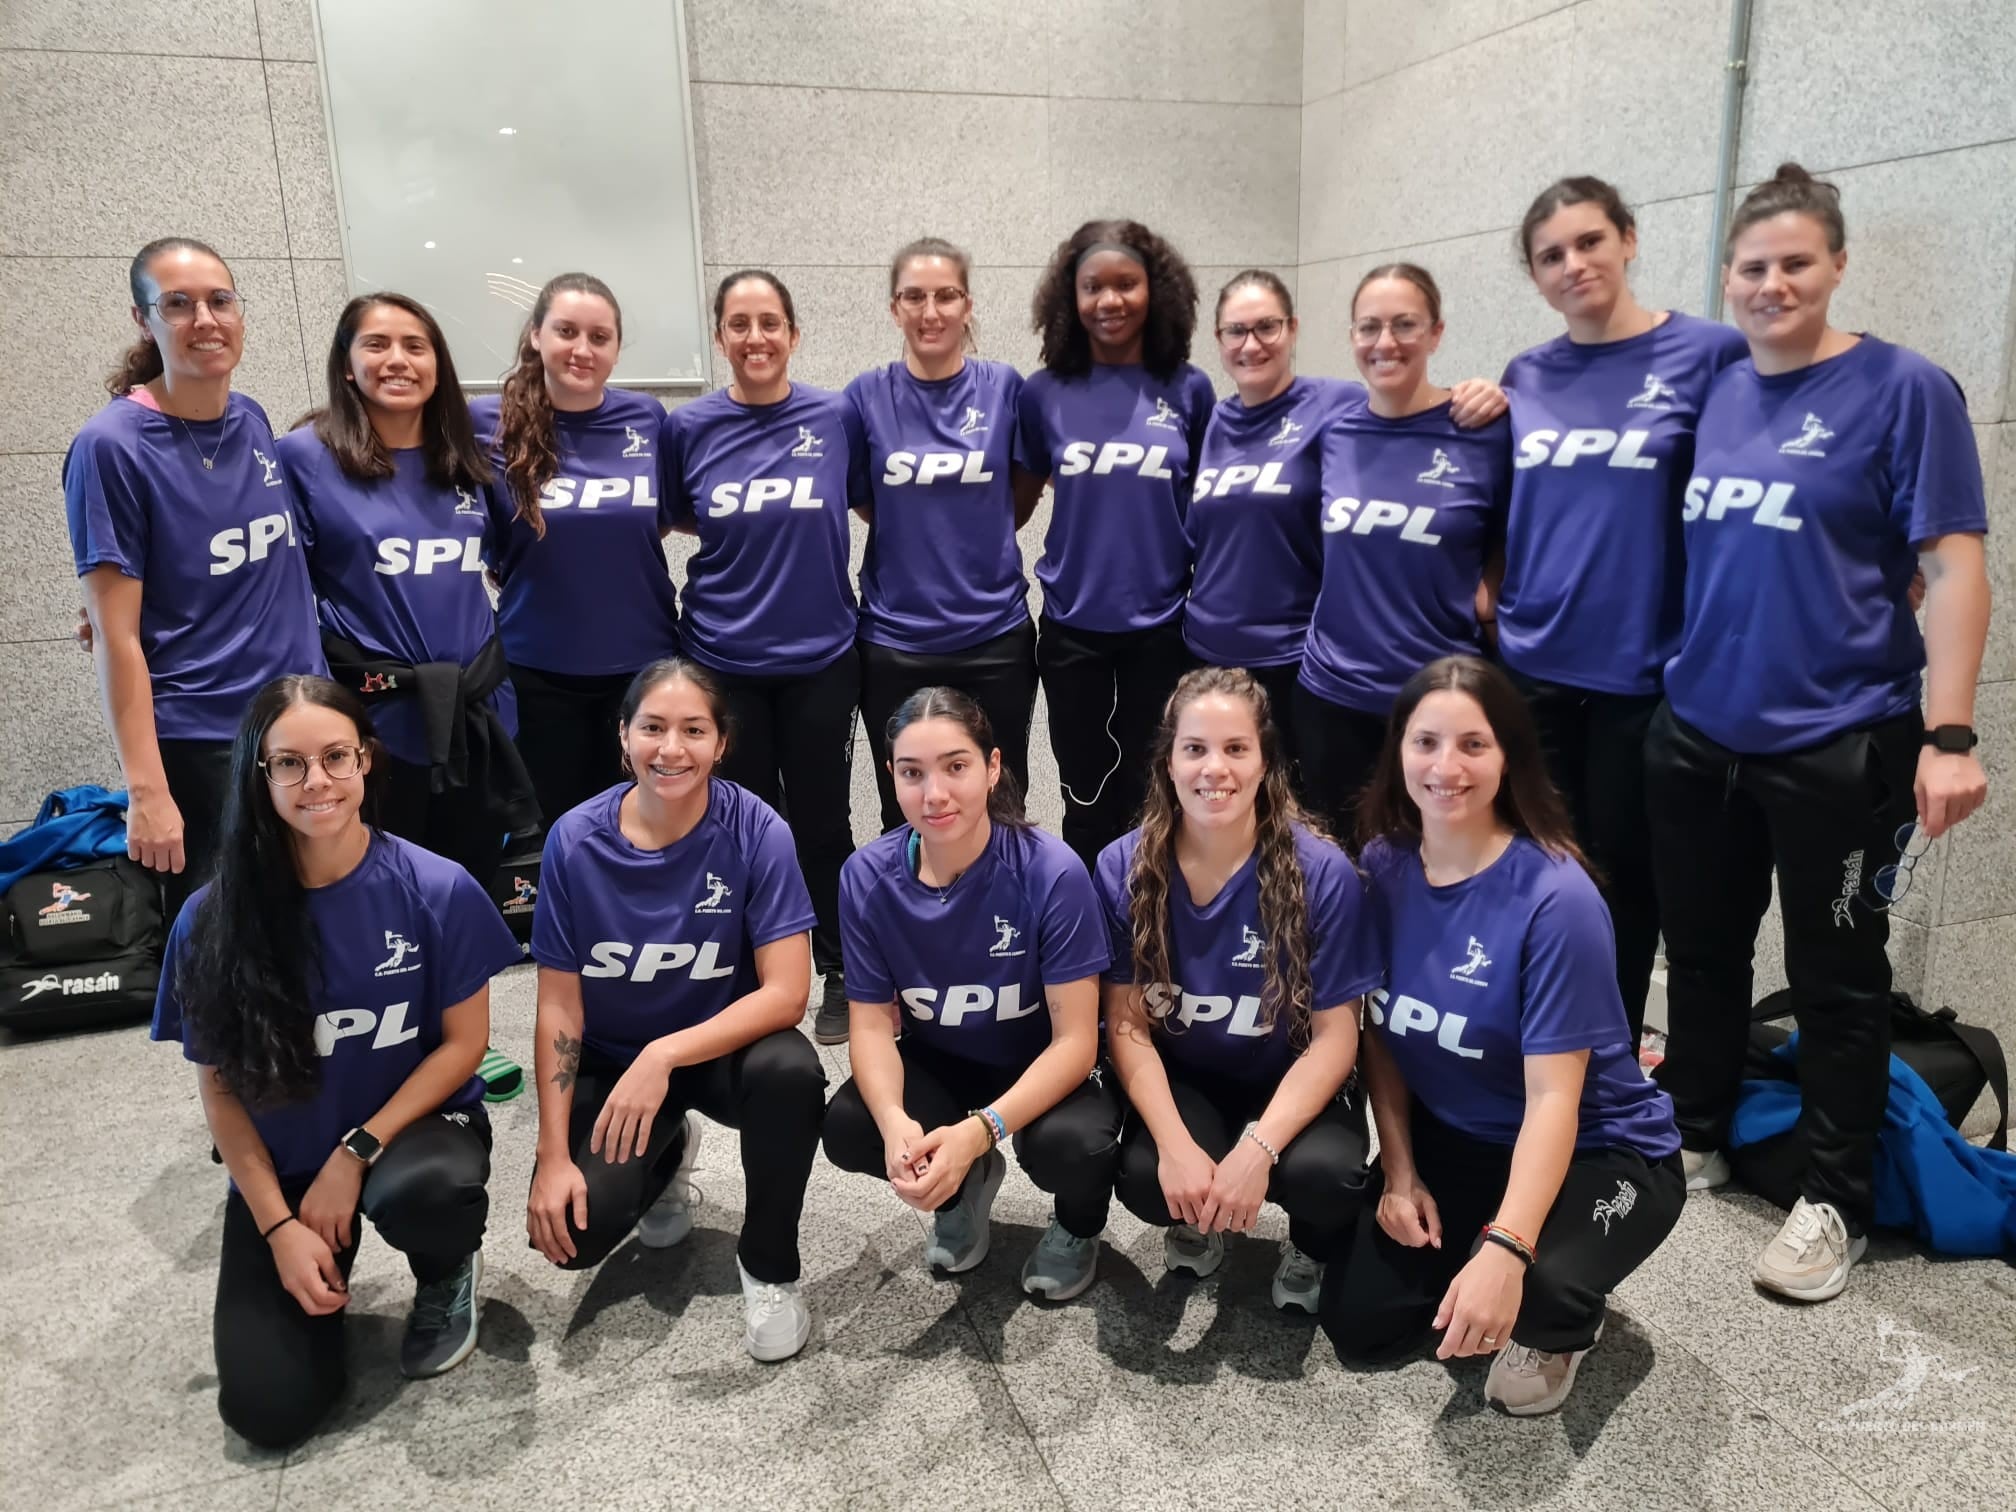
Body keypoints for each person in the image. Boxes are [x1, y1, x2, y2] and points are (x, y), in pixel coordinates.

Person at [1646, 164, 1991, 1302]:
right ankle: (1693, 1129)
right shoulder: (1718, 391)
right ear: (1728, 279)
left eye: (1797, 261)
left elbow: (1949, 563)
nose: (1774, 282)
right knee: (1697, 955)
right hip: (1699, 732)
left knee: (1838, 979)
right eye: (1753, 266)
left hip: (1841, 742)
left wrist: (1949, 733)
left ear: (1837, 264)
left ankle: (1831, 1199)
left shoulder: (1904, 389)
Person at [152, 675, 520, 1448]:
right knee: (267, 1412)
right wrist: (280, 1225)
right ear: (259, 774)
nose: (315, 781)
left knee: (432, 1192)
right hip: (284, 1169)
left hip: (410, 1134)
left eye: (335, 757)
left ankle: (445, 1271)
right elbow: (220, 1093)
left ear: (366, 762)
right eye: (289, 763)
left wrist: (355, 1154)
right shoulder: (210, 918)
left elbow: (465, 1048)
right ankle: (314, 1265)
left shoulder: (434, 888)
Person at [1321, 656, 1684, 1417]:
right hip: (1464, 1137)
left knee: (1540, 1289)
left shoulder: (1558, 898)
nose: (1445, 766)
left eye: (1473, 745)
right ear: (1397, 752)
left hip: (1602, 1149)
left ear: (1510, 755)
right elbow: (1379, 1036)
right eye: (1425, 742)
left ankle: (1564, 1321)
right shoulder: (1383, 866)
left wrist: (1510, 1248)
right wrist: (1399, 1172)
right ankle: (1491, 1244)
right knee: (1363, 1330)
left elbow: (1556, 1096)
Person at [1498, 177, 1750, 1043]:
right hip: (1531, 668)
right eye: (1551, 255)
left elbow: (1792, 441)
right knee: (1540, 873)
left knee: (1623, 880)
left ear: (1629, 240)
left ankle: (1612, 1058)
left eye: (1590, 242)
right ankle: (1547, 1051)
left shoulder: (1708, 354)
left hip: (1642, 675)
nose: (1574, 265)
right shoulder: (1526, 374)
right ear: (1534, 276)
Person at [524, 657, 826, 1361]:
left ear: (721, 744)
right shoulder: (573, 839)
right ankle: (662, 1160)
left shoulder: (757, 830)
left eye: (694, 730)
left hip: (712, 1053)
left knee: (791, 1071)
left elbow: (787, 994)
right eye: (653, 727)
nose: (672, 749)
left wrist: (667, 1053)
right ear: (623, 735)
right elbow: (560, 1008)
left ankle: (771, 1267)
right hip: (614, 1061)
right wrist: (548, 1155)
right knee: (576, 1236)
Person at [1097, 667, 1380, 1312]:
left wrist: (1258, 1149)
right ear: (1168, 761)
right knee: (1146, 1178)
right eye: (1195, 748)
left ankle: (1308, 1243)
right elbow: (1127, 1025)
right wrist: (1174, 1144)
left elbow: (1339, 1038)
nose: (1214, 769)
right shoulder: (1123, 866)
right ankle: (1200, 1219)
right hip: (1191, 1074)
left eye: (1235, 749)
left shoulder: (1322, 873)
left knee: (1326, 1177)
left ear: (1264, 763)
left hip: (1292, 1074)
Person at [822, 687, 1119, 1301]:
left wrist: (982, 1128)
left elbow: (1076, 1042)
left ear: (992, 768)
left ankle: (1076, 1228)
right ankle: (960, 1191)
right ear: (891, 777)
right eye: (913, 773)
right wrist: (896, 1122)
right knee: (854, 1125)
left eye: (956, 767)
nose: (934, 794)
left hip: (1040, 1064)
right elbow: (873, 1026)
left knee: (1079, 1145)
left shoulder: (1051, 872)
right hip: (942, 1061)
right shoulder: (865, 878)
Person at [64, 237, 324, 923]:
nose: (204, 319)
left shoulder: (253, 419)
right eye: (177, 305)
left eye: (219, 300)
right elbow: (114, 637)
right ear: (143, 319)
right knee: (224, 958)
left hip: (297, 724)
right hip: (204, 743)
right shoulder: (111, 447)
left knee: (314, 933)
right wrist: (146, 790)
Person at [1189, 271, 1507, 782]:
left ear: (1293, 329)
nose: (1251, 344)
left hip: (1330, 665)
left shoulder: (1336, 410)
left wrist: (1482, 391)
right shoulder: (1212, 420)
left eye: (1267, 327)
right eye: (1236, 331)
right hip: (1231, 658)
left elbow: (1514, 521)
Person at [279, 292, 539, 885]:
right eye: (377, 344)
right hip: (370, 727)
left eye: (415, 346)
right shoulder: (301, 459)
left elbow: (513, 557)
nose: (398, 360)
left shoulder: (468, 458)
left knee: (464, 897)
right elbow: (261, 575)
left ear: (437, 364)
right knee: (374, 896)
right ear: (347, 364)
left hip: (477, 719)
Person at [663, 270, 861, 1046]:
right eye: (739, 324)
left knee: (821, 821)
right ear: (720, 337)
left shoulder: (835, 416)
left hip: (821, 658)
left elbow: (863, 497)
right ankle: (751, 973)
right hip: (721, 659)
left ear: (794, 333)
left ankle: (844, 968)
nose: (755, 338)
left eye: (770, 322)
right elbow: (679, 515)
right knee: (740, 825)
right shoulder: (691, 429)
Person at [1017, 219, 1217, 872]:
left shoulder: (1189, 389)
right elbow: (1015, 505)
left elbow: (1209, 507)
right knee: (1085, 795)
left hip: (1162, 628)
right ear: (1069, 299)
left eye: (1125, 284)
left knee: (1156, 793)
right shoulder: (1044, 392)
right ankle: (1089, 941)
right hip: (1072, 629)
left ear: (1153, 291)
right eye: (1093, 286)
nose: (1110, 300)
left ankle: (1153, 935)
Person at [1297, 265, 1512, 844]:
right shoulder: (1334, 434)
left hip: (1439, 702)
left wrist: (1492, 586)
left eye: (1404, 325)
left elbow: (1528, 527)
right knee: (1338, 877)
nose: (1385, 342)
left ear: (1436, 333)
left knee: (1432, 873)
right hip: (1332, 694)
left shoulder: (1486, 428)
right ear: (1351, 338)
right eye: (1369, 327)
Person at [472, 273, 680, 830]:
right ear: (536, 335)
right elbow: (475, 527)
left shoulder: (647, 419)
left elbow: (654, 523)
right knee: (560, 835)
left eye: (599, 336)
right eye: (566, 331)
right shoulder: (486, 423)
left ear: (615, 348)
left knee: (645, 828)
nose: (582, 349)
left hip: (643, 668)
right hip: (536, 670)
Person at [849, 237, 1039, 836]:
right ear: (894, 308)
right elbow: (864, 499)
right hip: (896, 641)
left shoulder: (1005, 387)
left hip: (995, 638)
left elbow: (1023, 490)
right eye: (914, 297)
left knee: (1001, 802)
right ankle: (910, 926)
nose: (930, 312)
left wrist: (974, 529)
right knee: (905, 807)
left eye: (945, 296)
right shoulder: (865, 395)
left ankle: (1003, 928)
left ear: (967, 305)